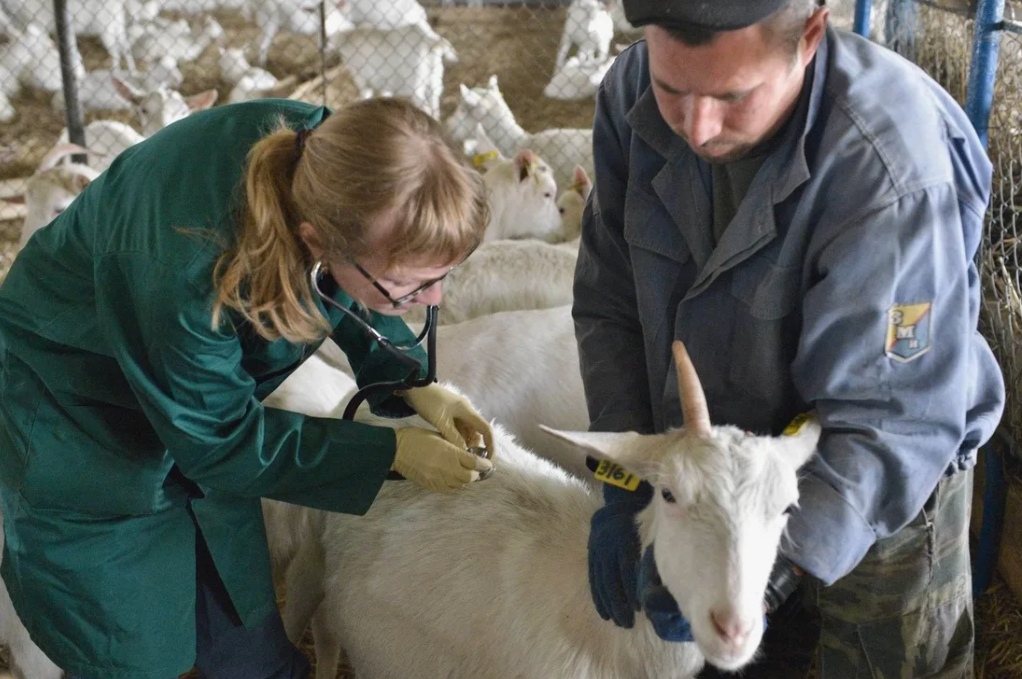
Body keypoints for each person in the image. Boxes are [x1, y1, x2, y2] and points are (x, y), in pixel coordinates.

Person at [575, 0, 1005, 677]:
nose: (697, 127)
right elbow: (610, 301)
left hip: (879, 482)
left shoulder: (885, 166)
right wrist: (627, 482)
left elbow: (892, 418)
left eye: (732, 95)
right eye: (673, 89)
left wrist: (765, 576)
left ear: (808, 36)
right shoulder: (630, 96)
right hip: (719, 471)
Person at [0, 97, 497, 679]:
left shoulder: (336, 158)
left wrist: (411, 380)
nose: (434, 302)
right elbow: (221, 441)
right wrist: (390, 453)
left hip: (196, 401)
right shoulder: (185, 269)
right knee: (133, 651)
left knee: (243, 626)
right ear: (317, 239)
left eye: (439, 279)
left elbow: (346, 274)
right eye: (408, 287)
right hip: (81, 419)